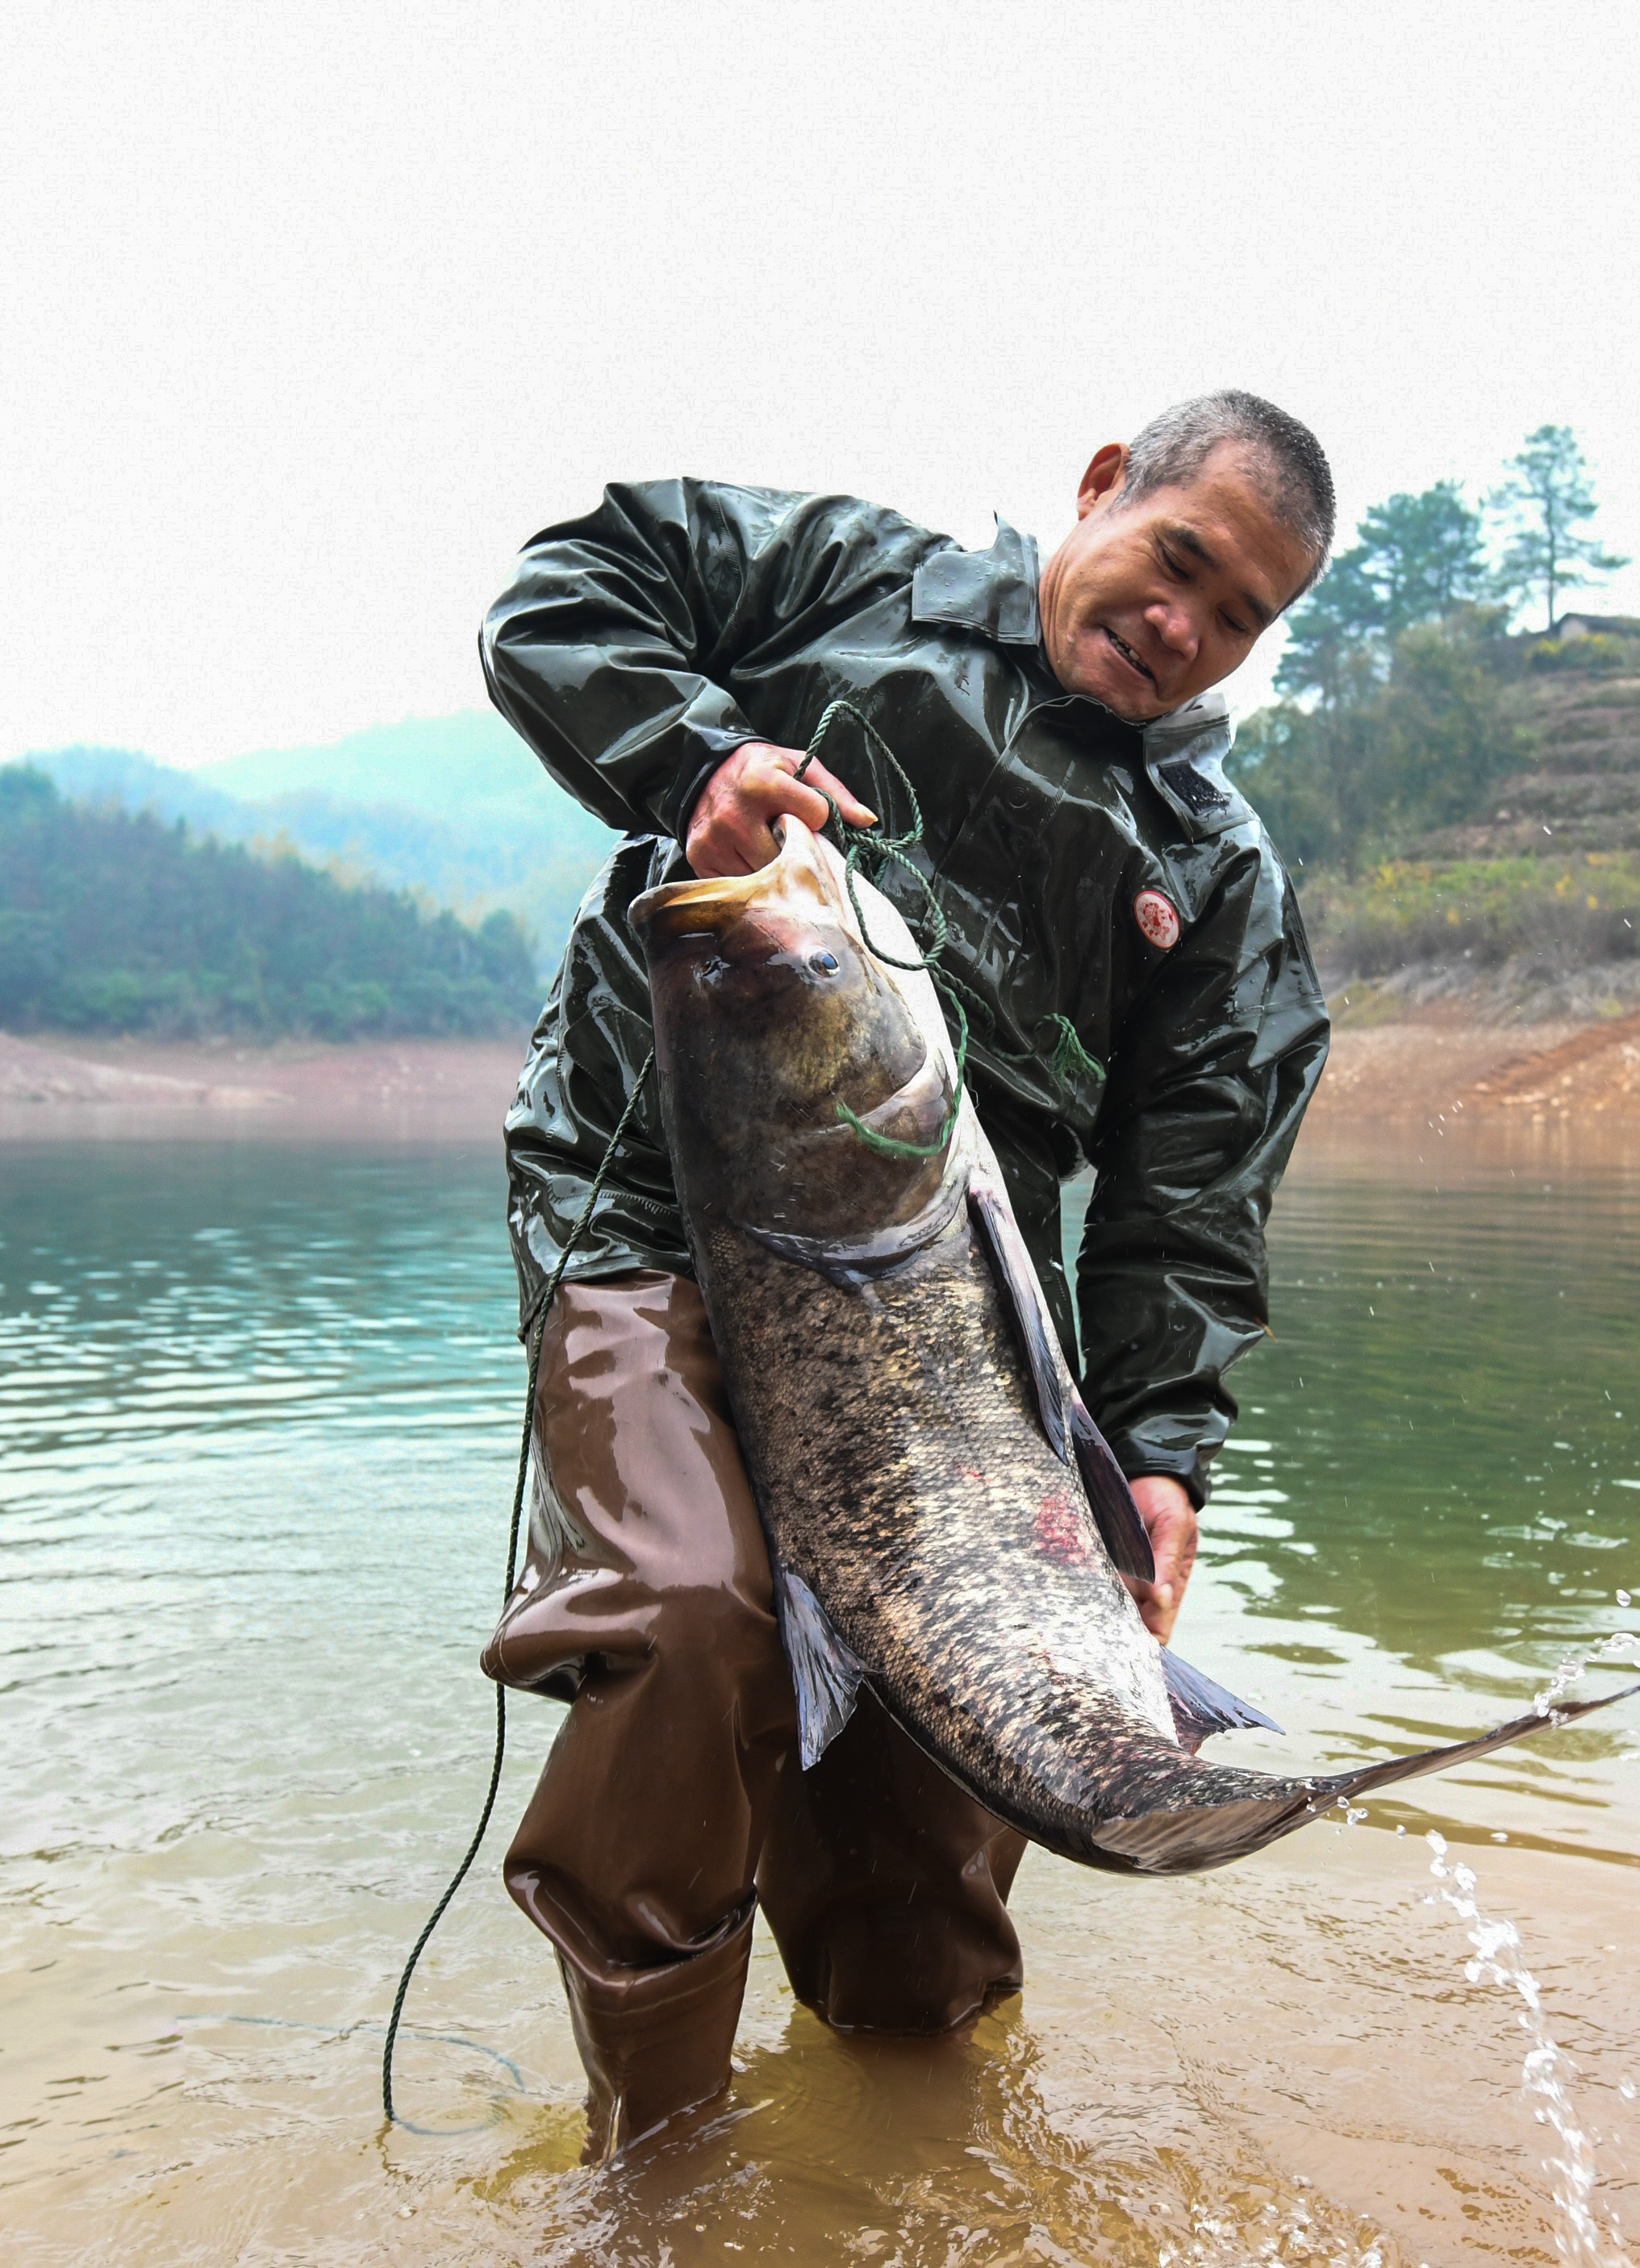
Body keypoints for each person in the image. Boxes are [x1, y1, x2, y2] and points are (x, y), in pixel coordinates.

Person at [474, 391, 1337, 2159]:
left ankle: (909, 2157)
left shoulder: (1217, 872)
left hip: (943, 1327)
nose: (1186, 626)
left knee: (923, 1822)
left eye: (1239, 613)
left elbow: (1191, 1191)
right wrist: (694, 760)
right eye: (1178, 561)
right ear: (1102, 486)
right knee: (677, 1614)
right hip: (654, 1209)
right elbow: (561, 591)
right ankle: (664, 2170)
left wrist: (1161, 1446)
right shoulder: (835, 578)